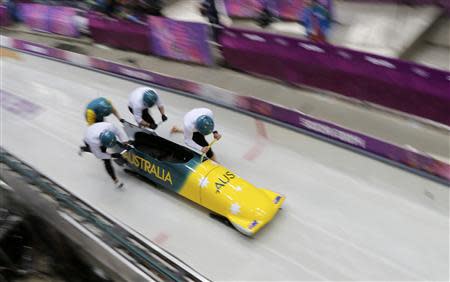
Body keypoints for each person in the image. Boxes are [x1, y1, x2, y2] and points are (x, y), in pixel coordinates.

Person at [79, 122, 128, 188]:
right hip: (88, 138)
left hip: (96, 129)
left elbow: (119, 132)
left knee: (95, 151)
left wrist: (125, 141)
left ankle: (84, 149)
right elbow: (99, 155)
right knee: (106, 160)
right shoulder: (94, 142)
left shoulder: (111, 127)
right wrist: (112, 155)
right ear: (102, 143)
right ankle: (115, 181)